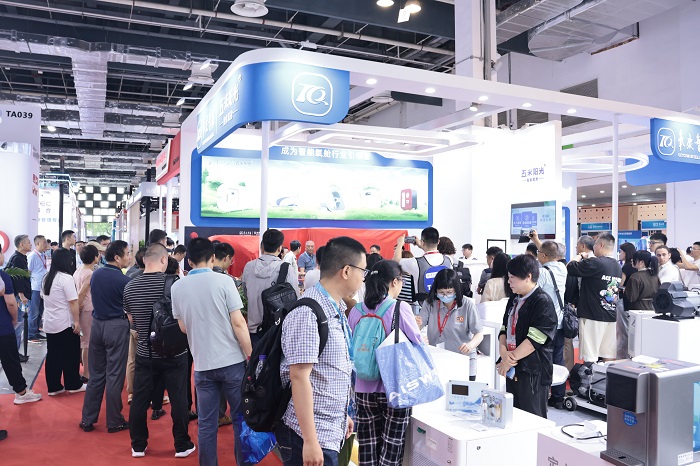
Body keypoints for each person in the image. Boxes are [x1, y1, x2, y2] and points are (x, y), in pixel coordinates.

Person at [278, 236, 365, 466]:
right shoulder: (308, 312)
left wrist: (341, 415)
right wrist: (310, 440)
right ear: (346, 271)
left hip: (329, 427)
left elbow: (328, 370)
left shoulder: (335, 307)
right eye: (362, 270)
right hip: (310, 433)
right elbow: (299, 377)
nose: (363, 277)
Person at [171, 238, 252, 466]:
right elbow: (238, 323)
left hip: (202, 364)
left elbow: (183, 327)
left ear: (189, 261)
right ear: (213, 257)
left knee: (206, 424)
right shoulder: (225, 281)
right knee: (240, 419)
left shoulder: (177, 287)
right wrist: (250, 355)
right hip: (232, 362)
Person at [348, 260, 421, 466]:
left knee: (368, 448)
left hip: (362, 389)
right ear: (395, 282)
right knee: (391, 448)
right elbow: (417, 342)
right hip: (394, 389)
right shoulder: (399, 307)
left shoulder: (357, 310)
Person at [125, 243, 195, 458]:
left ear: (144, 260)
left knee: (139, 399)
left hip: (145, 352)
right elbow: (186, 318)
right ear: (164, 259)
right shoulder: (176, 284)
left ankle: (138, 445)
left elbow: (131, 320)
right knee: (178, 398)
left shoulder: (130, 286)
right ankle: (181, 444)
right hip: (175, 352)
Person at [80, 240, 132, 433]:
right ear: (117, 257)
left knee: (96, 375)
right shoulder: (124, 281)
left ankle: (87, 419)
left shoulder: (96, 274)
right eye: (127, 253)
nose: (129, 257)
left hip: (97, 325)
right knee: (115, 375)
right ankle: (114, 420)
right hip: (116, 326)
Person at [497, 254, 557, 418]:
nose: (509, 282)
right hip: (513, 366)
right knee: (513, 415)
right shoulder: (514, 299)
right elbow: (504, 328)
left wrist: (508, 360)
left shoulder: (542, 301)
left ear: (528, 277)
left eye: (512, 278)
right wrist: (503, 353)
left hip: (532, 371)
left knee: (532, 417)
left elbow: (535, 340)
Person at [418, 268, 483, 380]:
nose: (445, 296)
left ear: (456, 290)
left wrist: (470, 345)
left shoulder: (467, 305)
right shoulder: (429, 304)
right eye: (441, 292)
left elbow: (479, 334)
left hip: (463, 359)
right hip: (438, 358)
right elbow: (418, 325)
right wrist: (418, 334)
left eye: (449, 292)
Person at [566, 233, 622, 363]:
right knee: (608, 354)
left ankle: (589, 377)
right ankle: (606, 376)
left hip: (592, 315)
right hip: (610, 315)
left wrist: (581, 255)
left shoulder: (596, 262)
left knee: (590, 354)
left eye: (595, 244)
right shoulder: (617, 265)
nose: (594, 247)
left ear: (601, 245)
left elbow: (570, 267)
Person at [0, 249, 42, 411]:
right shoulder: (3, 277)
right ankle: (21, 393)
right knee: (10, 360)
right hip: (3, 327)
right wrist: (14, 318)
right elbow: (11, 303)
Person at [242, 229, 300, 346]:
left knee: (256, 358)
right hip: (277, 331)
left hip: (254, 331)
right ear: (279, 248)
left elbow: (246, 293)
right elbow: (295, 299)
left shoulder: (249, 267)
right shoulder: (286, 268)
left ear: (262, 246)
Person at [41, 248, 85, 396]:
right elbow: (73, 301)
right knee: (71, 354)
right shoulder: (66, 278)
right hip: (65, 322)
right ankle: (73, 384)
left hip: (50, 321)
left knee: (53, 355)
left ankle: (54, 387)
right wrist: (77, 322)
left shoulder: (47, 277)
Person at [533, 239, 567, 409]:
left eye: (538, 253)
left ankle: (542, 394)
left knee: (542, 359)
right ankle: (558, 397)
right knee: (558, 359)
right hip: (560, 323)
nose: (537, 256)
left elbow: (532, 292)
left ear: (544, 255)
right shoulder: (563, 268)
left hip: (545, 324)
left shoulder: (542, 273)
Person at [393, 227, 452, 303]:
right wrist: (421, 245)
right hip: (444, 304)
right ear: (438, 242)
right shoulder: (449, 260)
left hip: (423, 306)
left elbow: (396, 261)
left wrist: (400, 244)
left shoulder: (415, 263)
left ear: (423, 242)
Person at [74, 244, 100, 383]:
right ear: (95, 257)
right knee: (87, 342)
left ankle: (87, 371)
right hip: (86, 309)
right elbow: (82, 293)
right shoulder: (90, 273)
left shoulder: (79, 270)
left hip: (82, 308)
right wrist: (77, 309)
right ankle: (87, 373)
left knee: (84, 341)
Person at [7, 234, 32, 354]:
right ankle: (14, 353)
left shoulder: (22, 257)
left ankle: (15, 352)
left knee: (19, 325)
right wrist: (21, 295)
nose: (30, 244)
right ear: (21, 244)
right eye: (28, 242)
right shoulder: (17, 258)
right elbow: (17, 278)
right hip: (18, 297)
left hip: (21, 296)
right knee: (17, 325)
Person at [27, 235, 49, 343]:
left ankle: (36, 331)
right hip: (35, 287)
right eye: (44, 242)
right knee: (34, 311)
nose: (46, 244)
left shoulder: (44, 254)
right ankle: (31, 334)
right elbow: (28, 272)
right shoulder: (32, 256)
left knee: (40, 310)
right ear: (38, 243)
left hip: (42, 286)